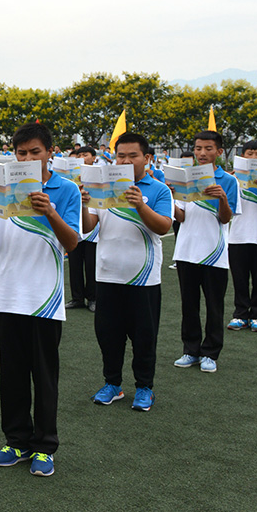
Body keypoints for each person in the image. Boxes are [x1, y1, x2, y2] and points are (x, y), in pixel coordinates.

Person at [0, 122, 80, 477]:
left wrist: (50, 212)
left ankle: (45, 446)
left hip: (43, 299)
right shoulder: (2, 186)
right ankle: (16, 440)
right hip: (6, 296)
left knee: (44, 376)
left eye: (35, 152)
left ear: (50, 152)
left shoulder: (66, 189)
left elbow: (72, 242)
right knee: (12, 374)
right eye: (22, 153)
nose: (28, 158)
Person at [82, 133, 173, 411]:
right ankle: (112, 384)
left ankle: (145, 387)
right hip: (107, 274)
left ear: (147, 158)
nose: (125, 161)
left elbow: (163, 227)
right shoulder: (103, 187)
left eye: (133, 156)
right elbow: (87, 227)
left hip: (143, 277)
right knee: (108, 334)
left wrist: (140, 205)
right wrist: (84, 203)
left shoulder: (159, 190)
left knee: (144, 336)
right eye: (120, 155)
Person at [170, 131, 239, 374]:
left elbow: (226, 218)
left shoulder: (228, 181)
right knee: (189, 305)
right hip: (186, 251)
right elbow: (180, 217)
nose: (202, 153)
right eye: (198, 148)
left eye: (208, 148)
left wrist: (222, 198)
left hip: (214, 254)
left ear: (219, 152)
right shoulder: (185, 178)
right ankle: (190, 350)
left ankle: (210, 352)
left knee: (214, 306)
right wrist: (171, 197)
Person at [226, 140, 257, 333]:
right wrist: (232, 180)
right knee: (239, 278)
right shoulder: (233, 179)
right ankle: (240, 314)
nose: (253, 157)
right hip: (237, 236)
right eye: (249, 153)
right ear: (243, 156)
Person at [65, 146, 98, 311]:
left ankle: (93, 298)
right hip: (75, 225)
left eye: (86, 155)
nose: (82, 158)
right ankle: (77, 298)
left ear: (94, 158)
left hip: (93, 227)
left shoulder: (99, 176)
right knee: (74, 264)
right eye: (79, 155)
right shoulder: (71, 178)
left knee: (92, 265)